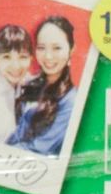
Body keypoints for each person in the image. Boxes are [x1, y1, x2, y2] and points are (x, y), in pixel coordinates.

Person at [7, 16, 77, 157]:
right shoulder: (28, 84)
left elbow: (38, 149)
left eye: (57, 48)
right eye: (41, 48)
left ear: (71, 49)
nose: (48, 56)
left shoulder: (71, 100)